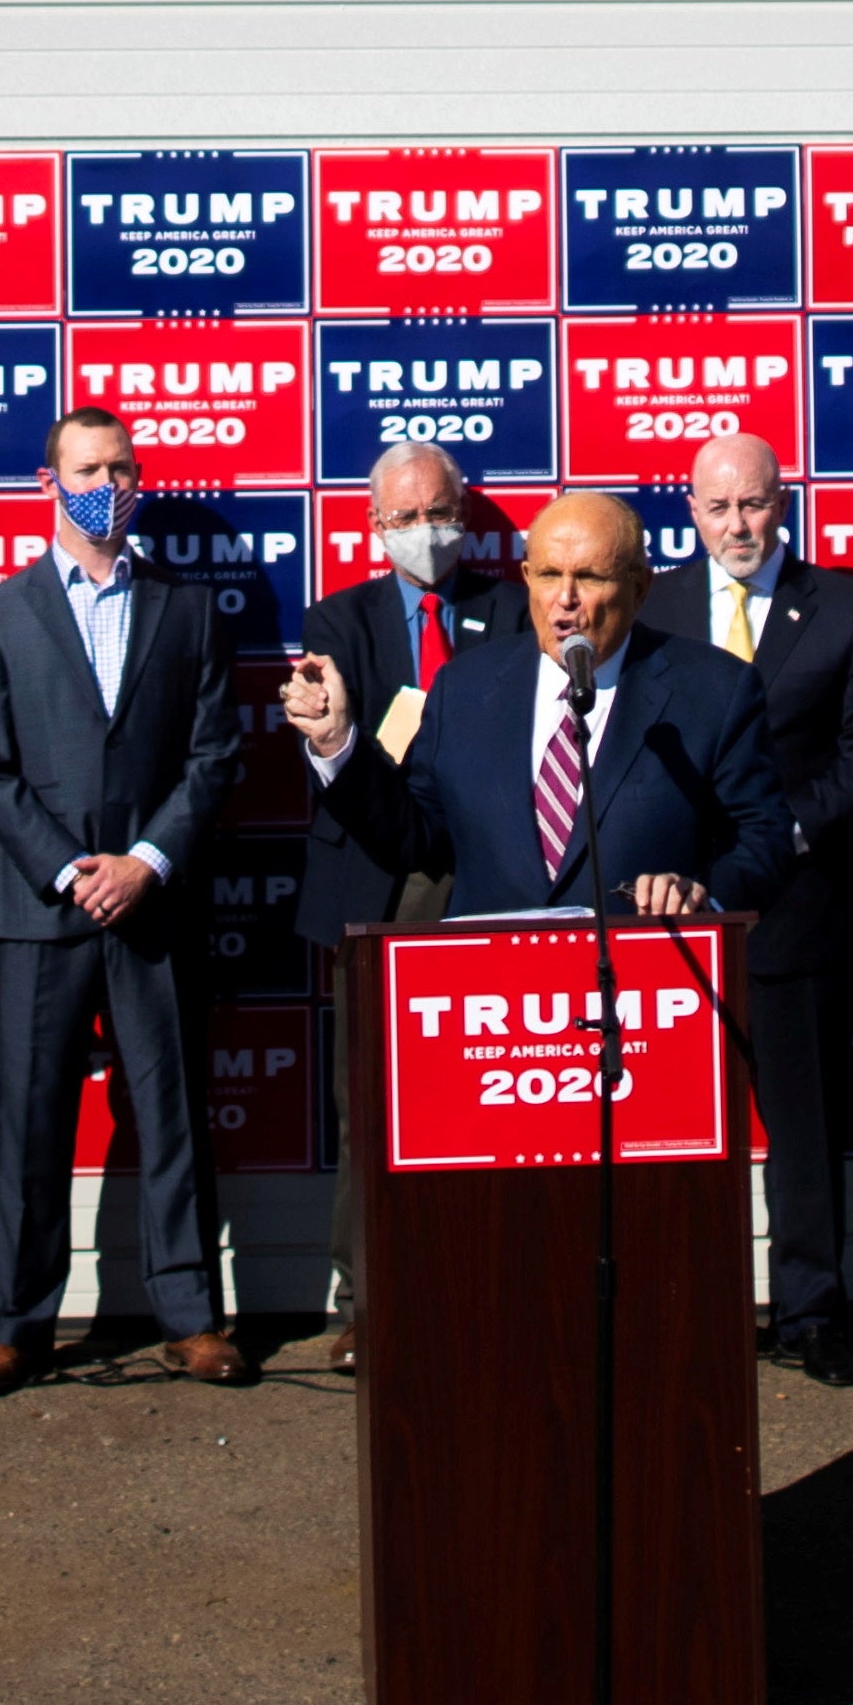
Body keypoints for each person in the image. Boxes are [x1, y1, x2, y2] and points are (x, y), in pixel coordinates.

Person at [0, 406, 249, 1392]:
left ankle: (190, 1314)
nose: (107, 484)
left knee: (169, 1109)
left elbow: (213, 756)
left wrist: (146, 861)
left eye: (121, 468)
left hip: (153, 901)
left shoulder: (188, 608)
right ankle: (17, 1325)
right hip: (44, 906)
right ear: (50, 482)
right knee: (33, 1118)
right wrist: (74, 868)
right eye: (87, 468)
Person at [639, 432, 853, 1386]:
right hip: (667, 913)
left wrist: (778, 835)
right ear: (692, 512)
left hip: (799, 906)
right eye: (717, 508)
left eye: (752, 504)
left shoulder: (849, 606)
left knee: (805, 1124)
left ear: (781, 501)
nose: (737, 525)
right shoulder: (656, 602)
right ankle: (683, 1306)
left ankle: (812, 1310)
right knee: (668, 1129)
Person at [283, 491, 790, 924]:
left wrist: (701, 895)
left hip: (648, 991)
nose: (564, 599)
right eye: (548, 575)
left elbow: (763, 840)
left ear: (639, 587)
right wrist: (337, 744)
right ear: (526, 576)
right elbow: (416, 838)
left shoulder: (714, 689)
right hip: (500, 1003)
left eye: (589, 577)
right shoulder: (465, 687)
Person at [288, 445, 515, 1364]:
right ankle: (365, 1302)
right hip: (378, 884)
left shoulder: (513, 610)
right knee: (370, 1108)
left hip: (486, 880)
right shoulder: (336, 620)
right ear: (376, 525)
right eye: (406, 517)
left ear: (463, 511)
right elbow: (337, 760)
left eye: (441, 511)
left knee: (493, 1099)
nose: (427, 531)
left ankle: (486, 1283)